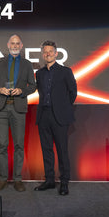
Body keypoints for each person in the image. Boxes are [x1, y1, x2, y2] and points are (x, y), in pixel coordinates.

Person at [0, 34, 36, 192]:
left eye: (17, 43)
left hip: (18, 109)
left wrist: (22, 90)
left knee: (18, 146)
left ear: (21, 46)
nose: (15, 46)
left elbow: (33, 86)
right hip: (0, 108)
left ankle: (17, 179)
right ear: (8, 45)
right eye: (12, 43)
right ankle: (2, 179)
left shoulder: (27, 64)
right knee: (2, 145)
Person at [34, 40, 77, 196]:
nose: (48, 54)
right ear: (42, 54)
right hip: (43, 115)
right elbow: (40, 92)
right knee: (46, 150)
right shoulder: (39, 73)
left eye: (50, 51)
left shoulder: (66, 71)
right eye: (45, 52)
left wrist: (62, 107)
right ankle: (50, 180)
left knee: (62, 150)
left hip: (60, 116)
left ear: (56, 53)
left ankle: (64, 182)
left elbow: (73, 93)